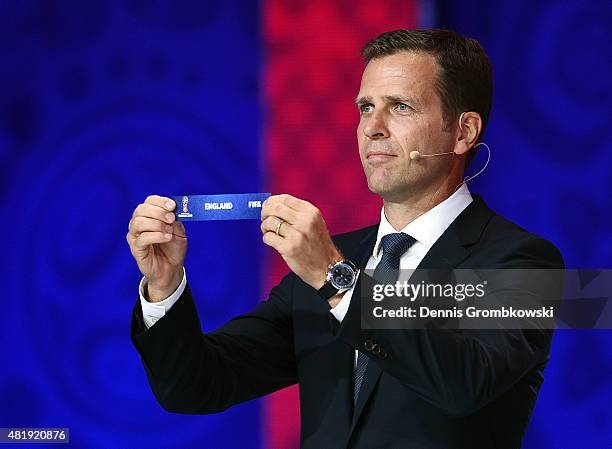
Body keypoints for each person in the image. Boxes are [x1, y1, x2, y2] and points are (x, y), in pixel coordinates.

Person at [127, 29, 564, 449]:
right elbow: (194, 386)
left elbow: (465, 384)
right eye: (365, 107)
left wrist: (335, 281)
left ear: (463, 132)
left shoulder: (527, 262)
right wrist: (164, 288)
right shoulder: (333, 261)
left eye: (401, 107)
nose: (372, 127)